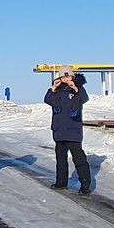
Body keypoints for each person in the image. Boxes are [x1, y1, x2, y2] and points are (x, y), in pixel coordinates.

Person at [44, 65, 92, 195]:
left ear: (73, 76)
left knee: (79, 158)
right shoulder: (57, 91)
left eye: (68, 76)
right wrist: (52, 89)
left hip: (73, 129)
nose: (66, 79)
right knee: (61, 158)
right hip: (59, 129)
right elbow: (48, 100)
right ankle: (61, 182)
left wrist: (75, 88)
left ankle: (85, 184)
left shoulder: (79, 90)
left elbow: (84, 99)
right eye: (63, 76)